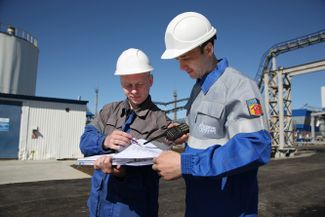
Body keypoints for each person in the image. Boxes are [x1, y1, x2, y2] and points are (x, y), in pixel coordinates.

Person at [152, 12, 272, 217]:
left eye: (186, 58)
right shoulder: (198, 88)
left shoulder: (240, 86)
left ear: (208, 49)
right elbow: (200, 125)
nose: (181, 67)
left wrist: (185, 164)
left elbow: (256, 147)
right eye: (178, 60)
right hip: (198, 202)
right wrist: (182, 129)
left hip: (229, 207)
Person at [80, 48, 172, 217]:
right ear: (120, 82)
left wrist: (123, 173)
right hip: (99, 205)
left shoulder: (161, 121)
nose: (134, 90)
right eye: (128, 85)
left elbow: (157, 169)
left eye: (140, 84)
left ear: (150, 81)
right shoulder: (108, 111)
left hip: (133, 209)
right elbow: (85, 140)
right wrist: (104, 141)